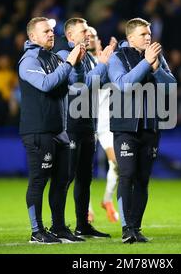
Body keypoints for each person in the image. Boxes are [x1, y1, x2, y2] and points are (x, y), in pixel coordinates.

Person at [108, 17, 176, 243]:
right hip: (126, 126)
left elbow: (171, 87)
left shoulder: (157, 57)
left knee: (143, 178)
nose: (149, 37)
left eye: (149, 34)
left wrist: (157, 69)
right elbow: (123, 85)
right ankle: (126, 228)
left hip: (151, 126)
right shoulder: (118, 57)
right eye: (143, 34)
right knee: (127, 175)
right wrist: (146, 63)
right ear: (130, 38)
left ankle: (136, 228)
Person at [18, 17, 85, 244]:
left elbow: (74, 84)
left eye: (51, 31)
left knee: (62, 180)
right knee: (39, 180)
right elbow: (46, 84)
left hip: (59, 130)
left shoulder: (55, 57)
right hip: (38, 130)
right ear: (32, 36)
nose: (50, 34)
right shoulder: (29, 60)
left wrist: (76, 64)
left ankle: (58, 227)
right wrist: (68, 64)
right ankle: (37, 231)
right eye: (45, 31)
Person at [56, 18, 113, 239]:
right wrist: (102, 65)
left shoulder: (89, 57)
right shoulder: (65, 57)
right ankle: (58, 226)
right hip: (70, 125)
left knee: (84, 177)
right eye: (83, 31)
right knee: (66, 176)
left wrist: (105, 65)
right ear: (70, 36)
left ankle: (82, 225)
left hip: (88, 125)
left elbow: (100, 84)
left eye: (89, 30)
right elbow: (80, 86)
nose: (88, 34)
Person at [86, 26, 120, 223]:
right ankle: (87, 209)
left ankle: (107, 200)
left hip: (106, 123)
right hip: (86, 121)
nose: (90, 39)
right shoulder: (80, 62)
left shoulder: (108, 61)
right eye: (87, 36)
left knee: (117, 164)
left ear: (99, 41)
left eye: (94, 36)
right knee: (84, 168)